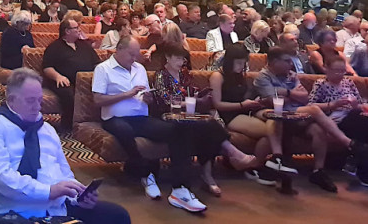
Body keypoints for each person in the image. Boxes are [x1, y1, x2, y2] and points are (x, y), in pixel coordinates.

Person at [0, 68, 130, 224]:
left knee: (117, 215)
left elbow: (64, 172)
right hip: (9, 212)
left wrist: (77, 196)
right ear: (11, 99)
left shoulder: (46, 129)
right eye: (30, 101)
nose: (37, 107)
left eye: (39, 100)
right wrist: (48, 191)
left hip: (55, 211)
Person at [92, 36, 206, 212]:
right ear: (119, 50)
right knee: (125, 131)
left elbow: (149, 99)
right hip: (114, 118)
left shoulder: (140, 69)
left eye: (136, 54)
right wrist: (127, 94)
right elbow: (98, 100)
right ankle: (146, 173)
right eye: (131, 54)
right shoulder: (103, 69)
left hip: (141, 117)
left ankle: (180, 188)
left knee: (178, 130)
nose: (134, 58)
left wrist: (148, 98)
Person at [254, 47, 361, 192]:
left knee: (318, 129)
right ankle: (348, 143)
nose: (290, 64)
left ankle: (318, 171)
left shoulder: (290, 74)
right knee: (314, 110)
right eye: (286, 61)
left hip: (296, 112)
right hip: (277, 113)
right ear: (274, 62)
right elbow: (273, 101)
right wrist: (291, 93)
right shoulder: (263, 77)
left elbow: (304, 97)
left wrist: (284, 92)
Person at [152, 44, 253, 196]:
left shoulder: (184, 74)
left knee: (209, 124)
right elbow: (165, 101)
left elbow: (192, 92)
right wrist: (192, 101)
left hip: (188, 114)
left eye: (183, 59)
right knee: (207, 126)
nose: (181, 62)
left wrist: (200, 97)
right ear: (167, 57)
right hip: (168, 116)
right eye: (178, 58)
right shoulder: (160, 75)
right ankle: (229, 155)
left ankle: (210, 174)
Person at [209, 45, 290, 186]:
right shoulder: (218, 76)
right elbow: (217, 104)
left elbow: (244, 97)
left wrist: (256, 102)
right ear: (230, 61)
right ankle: (269, 162)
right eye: (238, 63)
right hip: (229, 115)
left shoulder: (240, 76)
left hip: (245, 110)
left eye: (243, 63)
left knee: (274, 120)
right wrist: (242, 105)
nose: (241, 66)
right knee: (269, 132)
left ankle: (258, 164)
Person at [308, 55, 368, 187]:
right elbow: (311, 106)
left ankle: (360, 163)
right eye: (336, 71)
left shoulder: (348, 82)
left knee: (362, 121)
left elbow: (360, 104)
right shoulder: (321, 84)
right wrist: (334, 105)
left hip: (351, 116)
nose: (340, 74)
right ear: (326, 69)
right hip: (333, 119)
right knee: (362, 123)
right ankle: (363, 169)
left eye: (342, 70)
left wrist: (356, 105)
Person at [42, 18, 100, 131]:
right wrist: (58, 76)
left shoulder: (84, 45)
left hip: (86, 81)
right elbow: (47, 67)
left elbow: (97, 63)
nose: (79, 30)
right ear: (67, 31)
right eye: (76, 28)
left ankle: (92, 123)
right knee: (68, 94)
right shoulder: (54, 47)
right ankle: (67, 127)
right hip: (63, 81)